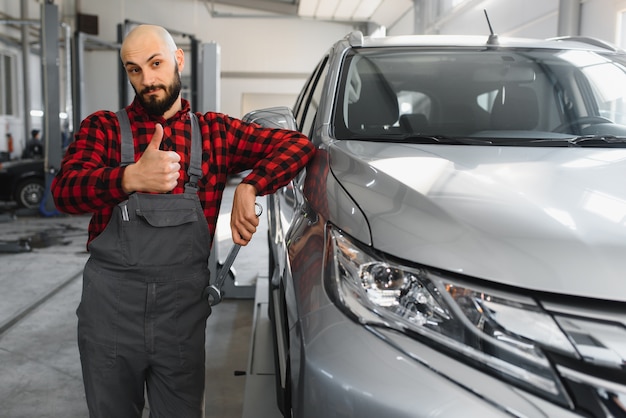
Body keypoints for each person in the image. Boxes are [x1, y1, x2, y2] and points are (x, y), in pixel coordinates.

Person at [51, 24, 315, 418]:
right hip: (110, 313)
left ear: (178, 60)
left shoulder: (216, 133)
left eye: (155, 64)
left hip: (181, 316)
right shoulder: (103, 128)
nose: (147, 79)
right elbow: (64, 191)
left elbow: (299, 145)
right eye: (134, 69)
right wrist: (129, 177)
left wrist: (251, 186)